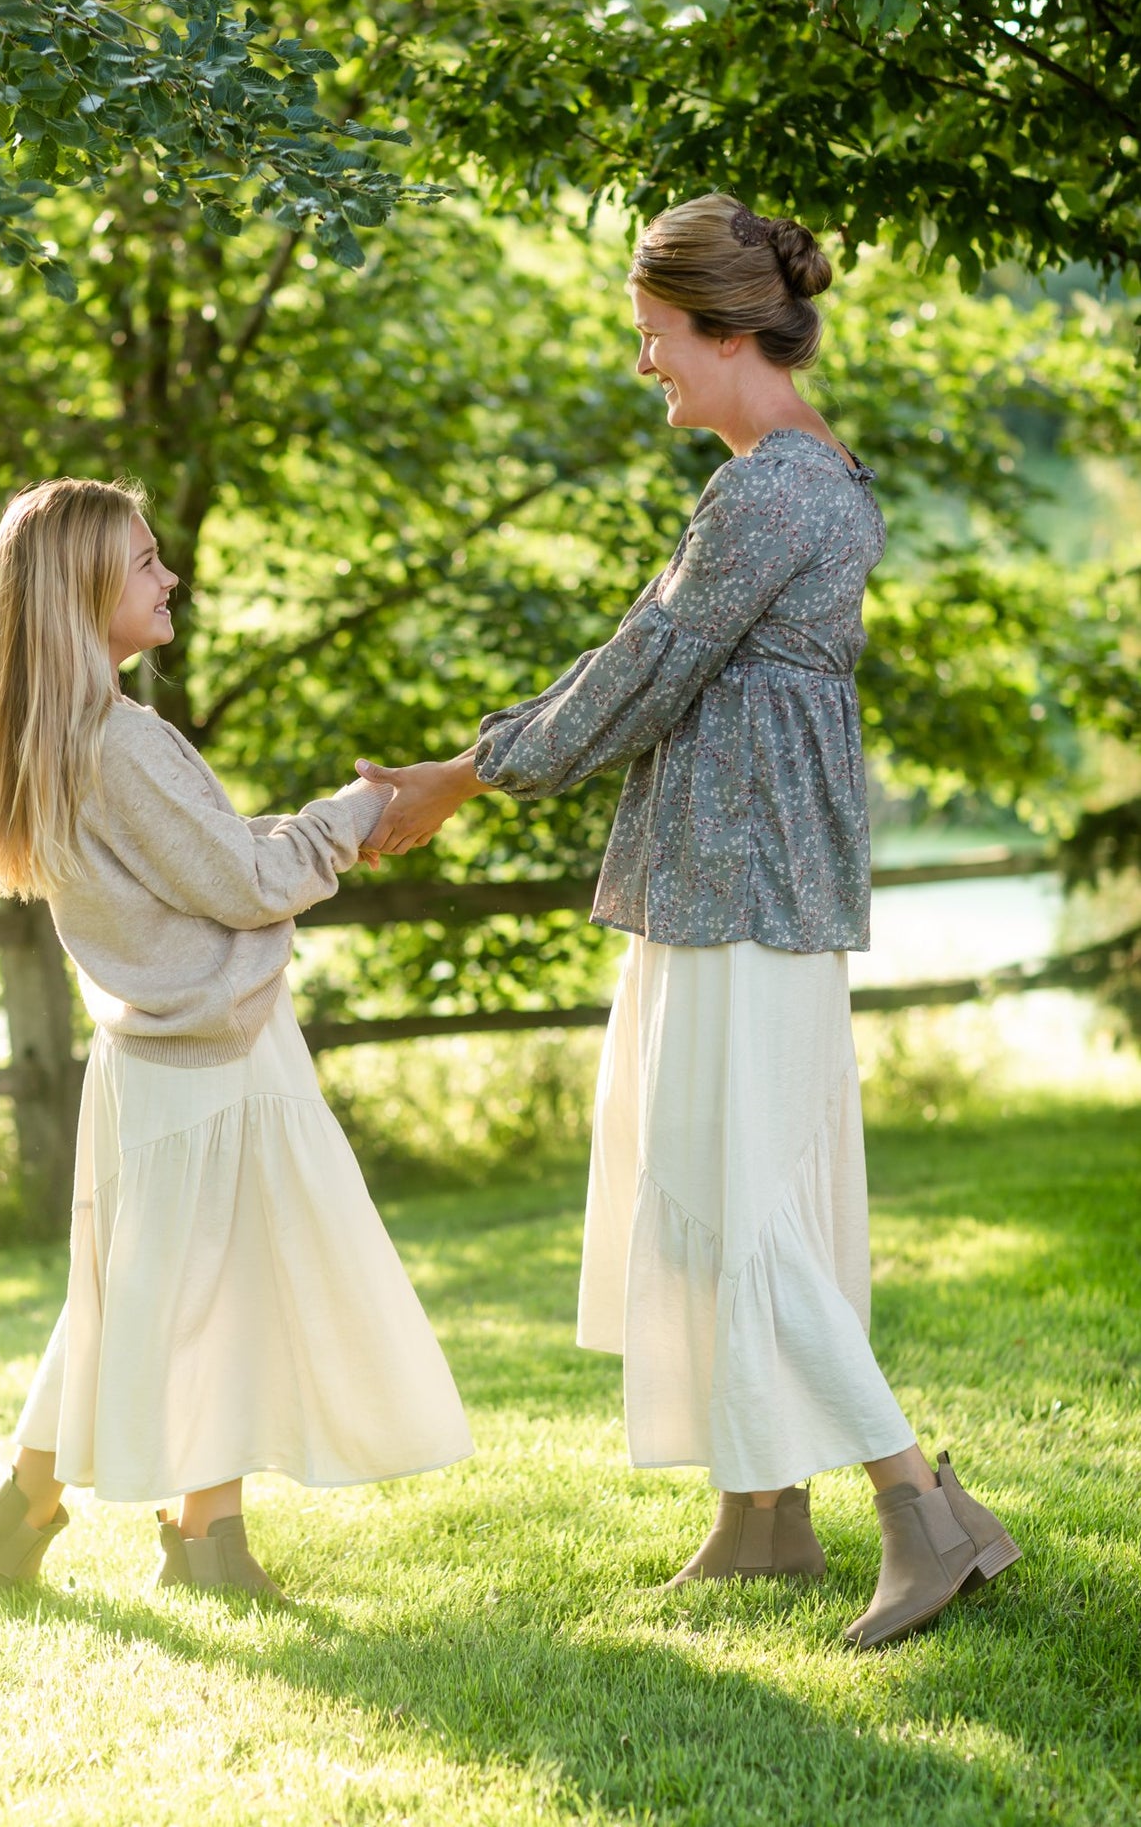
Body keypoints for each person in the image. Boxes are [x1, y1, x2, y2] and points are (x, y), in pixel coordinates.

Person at [355, 193, 1019, 1650]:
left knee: (747, 1213)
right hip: (728, 890)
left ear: (726, 335)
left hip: (744, 899)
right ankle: (759, 1512)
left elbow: (641, 666)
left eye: (656, 341)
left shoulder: (774, 490)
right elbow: (659, 664)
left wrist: (465, 774)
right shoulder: (792, 480)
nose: (645, 366)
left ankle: (924, 1510)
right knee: (716, 1205)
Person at [0, 478, 471, 1600]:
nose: (168, 576)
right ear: (80, 591)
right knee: (214, 1284)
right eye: (141, 562)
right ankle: (198, 1541)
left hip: (147, 1060)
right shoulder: (119, 741)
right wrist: (357, 811)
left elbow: (200, 871)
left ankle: (19, 1510)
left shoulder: (50, 739)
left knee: (151, 1287)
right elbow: (249, 878)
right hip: (212, 1057)